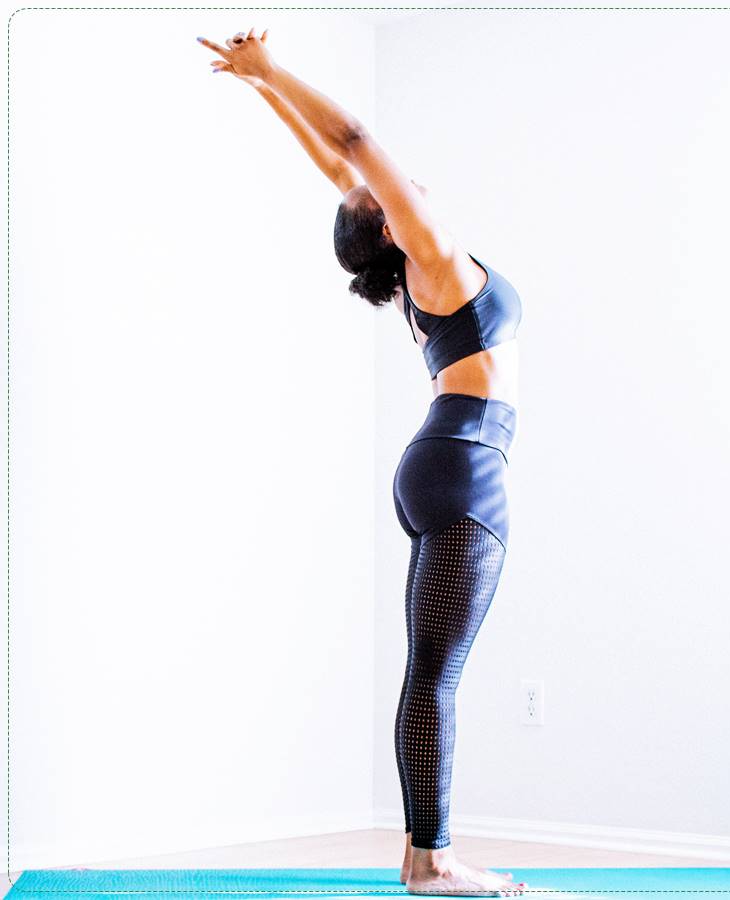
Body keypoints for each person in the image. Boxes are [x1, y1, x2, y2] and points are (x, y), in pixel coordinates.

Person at [197, 28, 527, 898]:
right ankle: (434, 863)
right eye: (383, 190)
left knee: (431, 670)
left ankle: (425, 857)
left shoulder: (415, 268)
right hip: (466, 465)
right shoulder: (434, 257)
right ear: (387, 220)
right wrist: (272, 69)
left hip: (442, 462)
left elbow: (333, 165)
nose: (391, 178)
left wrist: (265, 92)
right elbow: (352, 144)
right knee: (437, 674)